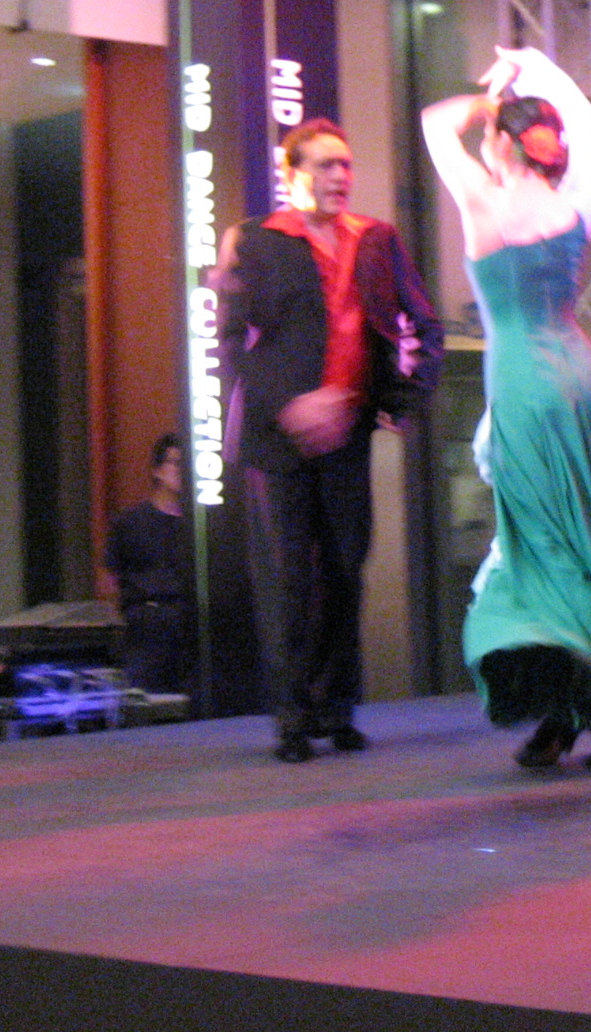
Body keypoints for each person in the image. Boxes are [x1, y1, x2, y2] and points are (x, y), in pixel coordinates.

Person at [423, 45, 591, 772]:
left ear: (502, 142)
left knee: (543, 548)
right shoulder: (573, 204)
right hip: (583, 382)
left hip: (526, 386)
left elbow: (434, 123)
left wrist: (487, 102)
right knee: (585, 543)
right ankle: (570, 709)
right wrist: (535, 65)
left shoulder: (483, 201)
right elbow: (590, 126)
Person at [214, 118, 443, 764]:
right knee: (287, 580)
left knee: (345, 571)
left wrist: (404, 399)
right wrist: (288, 405)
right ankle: (291, 720)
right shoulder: (255, 240)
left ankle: (336, 709)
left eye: (345, 164)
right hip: (276, 437)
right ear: (292, 174)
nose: (340, 175)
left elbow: (423, 324)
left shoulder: (376, 239)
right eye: (324, 165)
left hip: (347, 433)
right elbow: (231, 344)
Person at [107, 432, 193, 695]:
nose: (181, 471)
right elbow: (110, 575)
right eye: (175, 463)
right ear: (157, 470)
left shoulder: (196, 525)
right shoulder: (130, 521)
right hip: (145, 625)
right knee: (146, 698)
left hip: (188, 620)